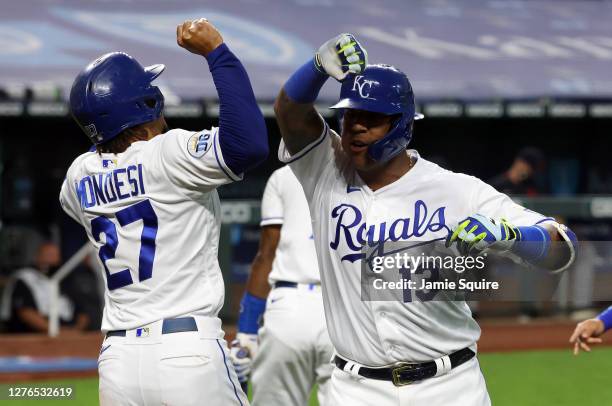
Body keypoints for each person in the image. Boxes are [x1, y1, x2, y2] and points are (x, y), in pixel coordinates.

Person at [274, 33, 578, 405]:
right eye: (350, 114)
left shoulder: (456, 190)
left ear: (402, 124)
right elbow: (289, 113)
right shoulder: (324, 169)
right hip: (353, 390)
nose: (355, 126)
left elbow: (562, 247)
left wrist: (512, 236)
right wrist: (317, 67)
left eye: (371, 118)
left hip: (448, 387)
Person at [59, 19, 267, 406]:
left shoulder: (77, 176)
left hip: (117, 363)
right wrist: (217, 52)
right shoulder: (168, 153)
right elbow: (249, 145)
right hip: (185, 349)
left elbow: (105, 155)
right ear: (147, 104)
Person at [231, 166, 334, 405]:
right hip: (342, 307)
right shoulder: (367, 173)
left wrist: (246, 330)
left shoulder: (284, 175)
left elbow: (266, 254)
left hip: (289, 308)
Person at [0, 241, 89, 333]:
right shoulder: (24, 278)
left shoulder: (64, 279)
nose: (50, 260)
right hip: (33, 334)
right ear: (37, 257)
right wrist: (56, 331)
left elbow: (82, 311)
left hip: (68, 332)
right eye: (47, 255)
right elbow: (25, 312)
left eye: (54, 255)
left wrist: (76, 330)